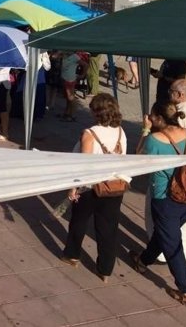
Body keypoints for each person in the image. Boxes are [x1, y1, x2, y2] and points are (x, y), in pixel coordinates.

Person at [131, 101, 186, 305]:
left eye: (152, 116)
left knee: (171, 243)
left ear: (159, 119)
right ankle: (143, 261)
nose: (150, 119)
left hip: (165, 199)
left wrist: (145, 129)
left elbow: (138, 158)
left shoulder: (154, 140)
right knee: (164, 233)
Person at [62, 93, 127, 283]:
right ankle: (105, 269)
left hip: (91, 187)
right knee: (108, 228)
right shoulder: (120, 131)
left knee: (79, 221)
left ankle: (72, 254)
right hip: (114, 185)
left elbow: (85, 164)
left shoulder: (89, 133)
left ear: (96, 112)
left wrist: (74, 188)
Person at [144, 79, 186, 269]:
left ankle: (170, 262)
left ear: (179, 95)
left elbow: (149, 151)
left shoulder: (176, 117)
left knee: (164, 224)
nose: (168, 94)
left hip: (170, 182)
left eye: (171, 91)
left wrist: (146, 129)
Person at [59, 51, 87, 122]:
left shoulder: (75, 56)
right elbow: (54, 57)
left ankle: (72, 115)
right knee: (67, 98)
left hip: (70, 80)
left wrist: (82, 75)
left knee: (71, 97)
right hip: (65, 78)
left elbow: (85, 65)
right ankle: (67, 113)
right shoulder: (64, 54)